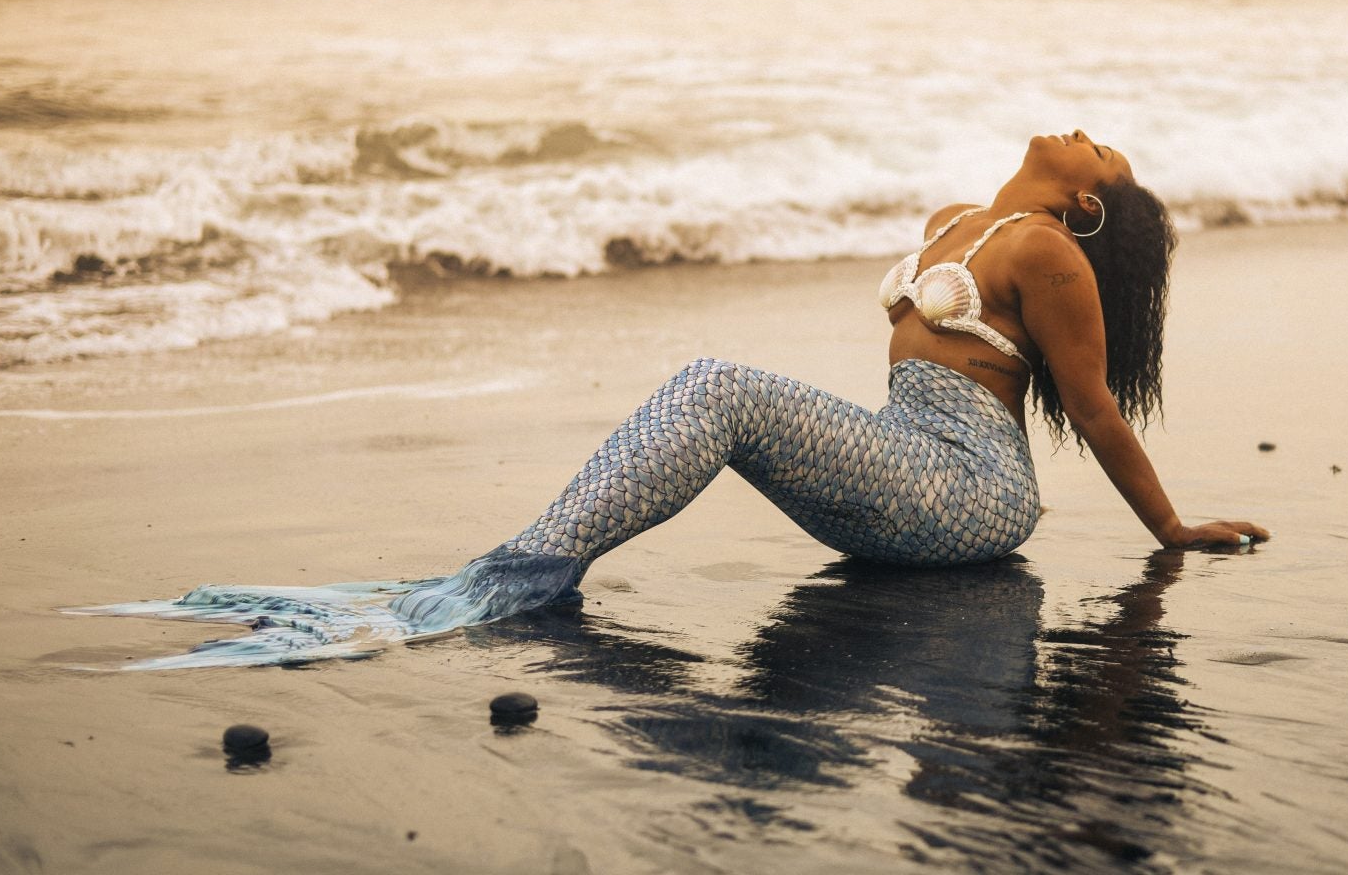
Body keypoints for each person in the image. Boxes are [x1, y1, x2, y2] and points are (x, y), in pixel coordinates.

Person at [72, 130, 1270, 668]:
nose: (1083, 134)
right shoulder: (952, 222)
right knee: (723, 390)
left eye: (1103, 152)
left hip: (968, 494)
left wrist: (1170, 531)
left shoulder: (1048, 257)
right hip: (906, 469)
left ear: (1089, 207)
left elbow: (1096, 409)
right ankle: (525, 565)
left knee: (718, 385)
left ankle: (527, 570)